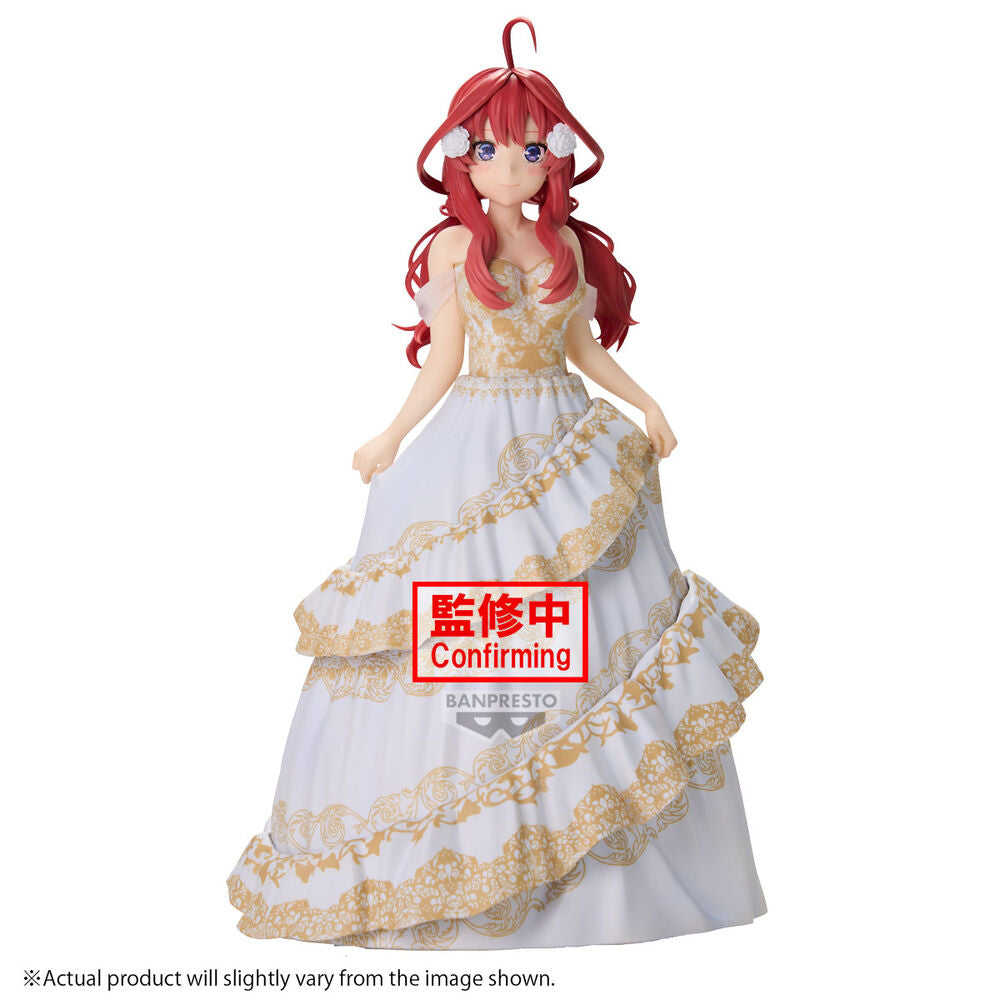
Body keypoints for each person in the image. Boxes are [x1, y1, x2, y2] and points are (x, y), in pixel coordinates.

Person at [228, 17, 766, 949]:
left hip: (569, 439)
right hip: (475, 442)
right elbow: (443, 360)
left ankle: (596, 849)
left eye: (525, 150)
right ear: (461, 158)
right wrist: (392, 435)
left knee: (593, 618)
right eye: (487, 150)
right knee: (471, 620)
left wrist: (647, 403)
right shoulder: (453, 251)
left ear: (553, 159)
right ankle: (475, 829)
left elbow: (584, 348)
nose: (508, 168)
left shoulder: (567, 251)